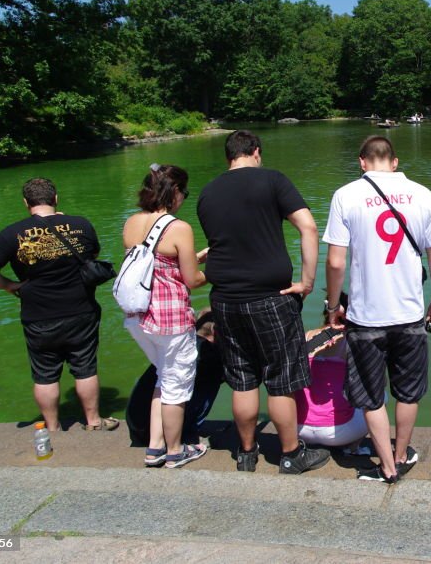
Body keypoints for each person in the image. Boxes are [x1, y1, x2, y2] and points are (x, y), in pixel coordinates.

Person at [197, 130, 330, 474]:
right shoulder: (272, 180)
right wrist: (307, 281)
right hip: (271, 297)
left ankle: (246, 452)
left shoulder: (208, 192)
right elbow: (308, 228)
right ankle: (290, 454)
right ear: (256, 152)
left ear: (229, 156)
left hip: (225, 300)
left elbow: (224, 242)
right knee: (281, 379)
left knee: (241, 379)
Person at [323, 135, 431, 483]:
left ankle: (386, 467)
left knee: (370, 394)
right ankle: (401, 453)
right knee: (408, 391)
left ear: (362, 162)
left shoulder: (345, 195)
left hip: (365, 317)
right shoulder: (422, 194)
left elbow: (335, 262)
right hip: (409, 314)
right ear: (395, 162)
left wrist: (333, 306)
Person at [0, 178, 118, 432]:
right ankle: (94, 422)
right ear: (55, 199)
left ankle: (52, 427)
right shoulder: (80, 224)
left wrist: (9, 285)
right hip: (81, 310)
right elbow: (92, 256)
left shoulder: (11, 233)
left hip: (38, 314)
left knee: (45, 374)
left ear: (26, 203)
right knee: (85, 368)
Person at [121, 164, 209, 469]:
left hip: (138, 317)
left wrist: (191, 261)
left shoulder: (132, 222)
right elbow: (192, 280)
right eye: (183, 192)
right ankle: (175, 451)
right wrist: (210, 271)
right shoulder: (179, 227)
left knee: (163, 376)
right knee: (177, 386)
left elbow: (153, 264)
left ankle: (154, 447)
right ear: (174, 192)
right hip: (169, 319)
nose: (184, 198)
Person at [126, 309, 225, 451]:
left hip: (136, 426)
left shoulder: (175, 347)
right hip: (155, 434)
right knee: (214, 375)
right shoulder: (207, 353)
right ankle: (186, 434)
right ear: (215, 332)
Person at [295, 302, 369, 450]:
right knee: (379, 398)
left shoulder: (307, 336)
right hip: (338, 433)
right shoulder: (352, 342)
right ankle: (353, 449)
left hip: (298, 429)